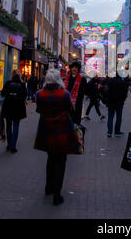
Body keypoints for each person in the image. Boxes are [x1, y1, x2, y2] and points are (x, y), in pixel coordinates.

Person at [35, 69, 80, 206]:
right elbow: (70, 110)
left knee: (50, 158)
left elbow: (38, 110)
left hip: (46, 131)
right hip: (62, 131)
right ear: (58, 80)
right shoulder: (65, 94)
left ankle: (48, 188)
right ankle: (57, 194)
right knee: (61, 161)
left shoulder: (39, 94)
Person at [1, 70, 27, 153]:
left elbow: (3, 93)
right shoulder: (22, 84)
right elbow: (25, 95)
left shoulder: (8, 83)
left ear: (12, 75)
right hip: (18, 108)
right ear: (19, 75)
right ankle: (13, 146)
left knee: (8, 125)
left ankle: (9, 144)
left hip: (8, 107)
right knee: (16, 125)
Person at [64, 62, 88, 130]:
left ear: (78, 70)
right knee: (68, 117)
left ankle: (76, 129)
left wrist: (79, 96)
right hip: (68, 102)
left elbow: (85, 90)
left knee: (77, 117)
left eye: (76, 68)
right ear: (71, 69)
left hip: (77, 102)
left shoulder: (82, 79)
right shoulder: (67, 79)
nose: (74, 69)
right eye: (73, 68)